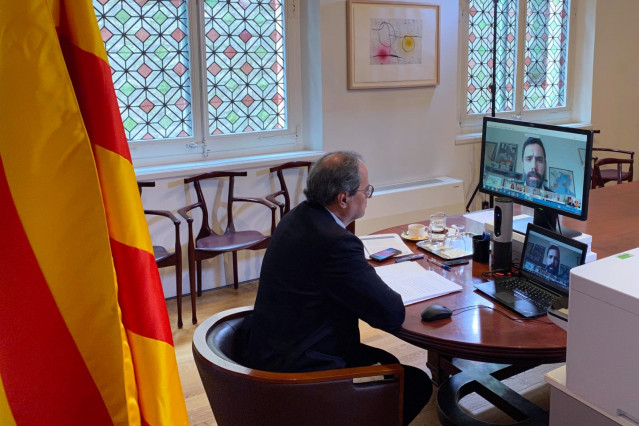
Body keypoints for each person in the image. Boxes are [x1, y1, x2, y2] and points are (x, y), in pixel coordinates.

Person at [237, 151, 432, 425]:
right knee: (416, 383)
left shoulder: (297, 217)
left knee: (387, 360)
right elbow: (390, 314)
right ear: (343, 198)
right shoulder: (335, 242)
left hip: (272, 350)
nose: (368, 196)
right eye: (366, 190)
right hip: (303, 370)